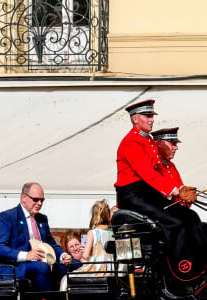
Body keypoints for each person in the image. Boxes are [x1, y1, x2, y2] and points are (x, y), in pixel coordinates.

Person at [114, 100, 207, 295]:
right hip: (133, 194)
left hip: (146, 192)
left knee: (190, 217)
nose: (151, 119)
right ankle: (182, 274)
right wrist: (174, 191)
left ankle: (200, 269)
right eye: (147, 116)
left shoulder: (146, 139)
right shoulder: (131, 141)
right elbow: (146, 172)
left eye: (152, 116)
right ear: (135, 119)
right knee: (175, 221)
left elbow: (158, 172)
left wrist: (181, 189)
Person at [0, 182, 72, 291]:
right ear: (24, 198)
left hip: (41, 261)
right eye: (36, 199)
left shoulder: (42, 219)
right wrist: (26, 255)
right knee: (42, 267)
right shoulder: (8, 217)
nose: (39, 203)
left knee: (74, 265)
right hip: (15, 266)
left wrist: (62, 255)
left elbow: (51, 243)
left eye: (42, 200)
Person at [60, 199, 114, 291]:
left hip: (97, 269)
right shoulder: (111, 233)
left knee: (65, 279)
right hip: (110, 269)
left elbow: (85, 256)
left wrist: (85, 250)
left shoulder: (93, 233)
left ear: (94, 216)